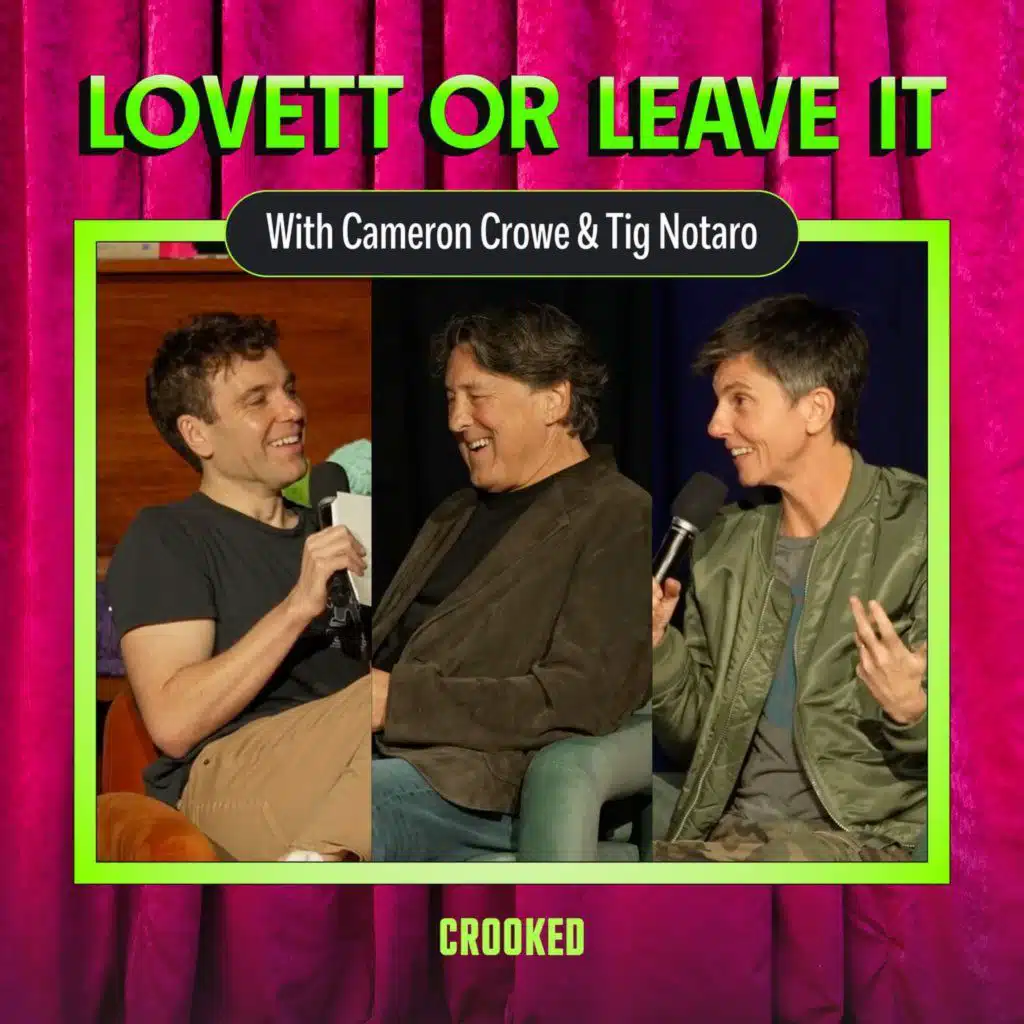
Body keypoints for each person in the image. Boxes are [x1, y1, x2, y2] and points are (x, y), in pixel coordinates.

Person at [370, 303, 651, 861]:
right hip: (375, 749)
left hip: (476, 780)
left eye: (477, 396)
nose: (456, 419)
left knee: (345, 810)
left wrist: (399, 701)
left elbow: (579, 697)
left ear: (554, 400)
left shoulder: (618, 514)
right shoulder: (454, 512)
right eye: (450, 398)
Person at [652, 295, 927, 862]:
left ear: (815, 409)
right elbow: (696, 738)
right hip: (733, 834)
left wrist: (914, 711)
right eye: (717, 402)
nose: (715, 425)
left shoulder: (922, 529)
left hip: (866, 837)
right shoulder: (722, 547)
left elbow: (991, 753)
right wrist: (658, 651)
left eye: (740, 401)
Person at [105, 313, 371, 862]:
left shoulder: (336, 529)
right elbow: (174, 723)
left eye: (289, 389)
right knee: (394, 698)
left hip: (354, 761)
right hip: (228, 779)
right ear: (197, 434)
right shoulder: (169, 537)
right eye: (258, 400)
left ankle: (320, 857)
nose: (292, 411)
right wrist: (296, 608)